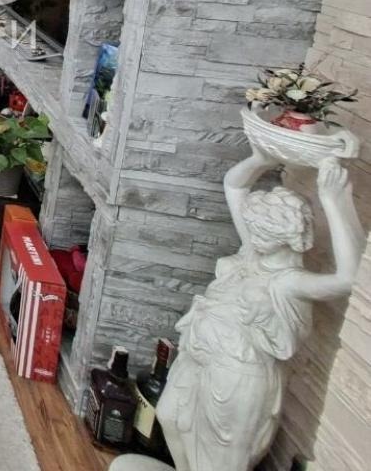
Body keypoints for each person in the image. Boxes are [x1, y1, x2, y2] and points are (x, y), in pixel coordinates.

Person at [154, 152, 363, 471]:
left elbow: (348, 279)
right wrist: (261, 157)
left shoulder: (289, 282)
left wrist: (336, 202)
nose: (254, 235)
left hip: (238, 372)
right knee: (169, 417)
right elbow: (234, 186)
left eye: (264, 232)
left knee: (220, 461)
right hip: (199, 354)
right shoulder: (253, 251)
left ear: (288, 237)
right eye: (255, 229)